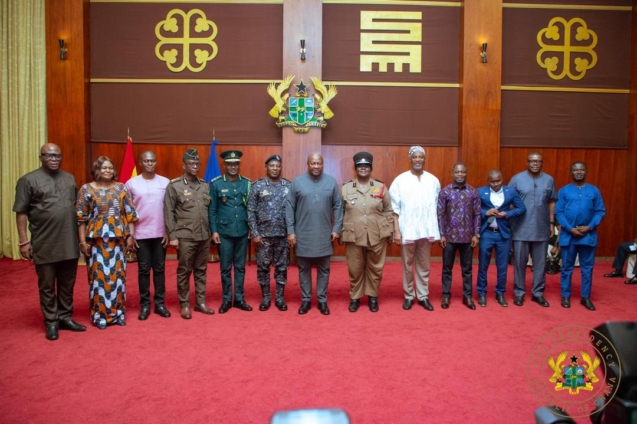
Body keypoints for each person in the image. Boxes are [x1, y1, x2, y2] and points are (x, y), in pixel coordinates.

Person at [13, 143, 86, 341]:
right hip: (45, 241)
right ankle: (51, 322)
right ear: (41, 157)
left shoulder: (69, 178)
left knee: (67, 283)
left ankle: (65, 317)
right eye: (49, 156)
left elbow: (75, 207)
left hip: (69, 241)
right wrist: (23, 241)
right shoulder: (28, 180)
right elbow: (21, 212)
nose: (54, 159)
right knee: (46, 285)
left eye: (57, 156)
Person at [77, 156, 139, 329]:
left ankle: (118, 314)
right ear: (97, 170)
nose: (107, 170)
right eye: (104, 167)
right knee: (98, 280)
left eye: (110, 168)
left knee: (117, 278)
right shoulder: (86, 189)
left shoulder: (121, 188)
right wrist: (82, 242)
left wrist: (130, 236)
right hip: (96, 243)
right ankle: (100, 316)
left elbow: (130, 214)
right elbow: (80, 218)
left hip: (118, 241)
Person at [286, 152, 343, 315]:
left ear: (322, 164)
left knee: (324, 269)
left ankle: (322, 301)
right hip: (302, 233)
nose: (316, 166)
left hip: (324, 234)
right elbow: (289, 207)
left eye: (319, 163)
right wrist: (290, 231)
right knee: (303, 269)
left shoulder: (331, 182)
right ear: (308, 164)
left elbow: (338, 205)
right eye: (313, 163)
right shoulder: (297, 182)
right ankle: (305, 300)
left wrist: (336, 228)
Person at [164, 148, 214, 320]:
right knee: (184, 271)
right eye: (191, 163)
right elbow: (169, 212)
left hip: (204, 235)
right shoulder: (174, 186)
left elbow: (208, 210)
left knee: (201, 270)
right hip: (185, 236)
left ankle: (200, 302)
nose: (195, 166)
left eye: (197, 164)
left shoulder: (204, 185)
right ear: (183, 165)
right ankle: (184, 304)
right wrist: (172, 236)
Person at [340, 152, 393, 313]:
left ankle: (373, 297)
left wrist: (390, 230)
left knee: (375, 268)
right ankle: (355, 298)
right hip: (353, 234)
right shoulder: (346, 188)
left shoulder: (380, 187)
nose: (363, 168)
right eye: (360, 166)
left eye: (366, 166)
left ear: (371, 168)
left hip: (377, 234)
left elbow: (388, 210)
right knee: (355, 268)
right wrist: (340, 232)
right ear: (355, 168)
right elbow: (340, 211)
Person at [389, 146, 440, 312]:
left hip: (426, 229)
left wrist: (436, 231)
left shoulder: (433, 180)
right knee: (407, 264)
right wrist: (396, 231)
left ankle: (423, 296)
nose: (418, 159)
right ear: (410, 158)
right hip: (407, 229)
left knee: (424, 265)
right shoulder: (400, 180)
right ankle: (409, 296)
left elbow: (437, 207)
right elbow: (394, 208)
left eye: (421, 157)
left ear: (424, 159)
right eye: (415, 157)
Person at [125, 150, 171, 320]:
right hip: (141, 234)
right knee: (143, 270)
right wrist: (131, 235)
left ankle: (160, 304)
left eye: (152, 160)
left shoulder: (165, 182)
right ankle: (145, 305)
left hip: (160, 233)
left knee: (159, 269)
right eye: (146, 161)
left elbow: (170, 209)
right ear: (140, 163)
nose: (150, 163)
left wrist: (168, 231)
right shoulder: (131, 183)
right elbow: (128, 211)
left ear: (156, 162)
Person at [555, 162, 606, 311]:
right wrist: (570, 229)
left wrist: (589, 227)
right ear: (570, 172)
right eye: (575, 170)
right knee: (566, 268)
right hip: (569, 236)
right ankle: (565, 296)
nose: (579, 172)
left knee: (587, 269)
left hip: (587, 236)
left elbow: (600, 211)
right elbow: (558, 212)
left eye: (582, 169)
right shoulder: (564, 191)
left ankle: (585, 297)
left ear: (586, 171)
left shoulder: (594, 190)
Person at [509, 152, 557, 307]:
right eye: (532, 161)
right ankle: (519, 293)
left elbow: (551, 202)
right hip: (520, 228)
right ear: (527, 163)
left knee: (540, 264)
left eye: (538, 161)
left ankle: (538, 293)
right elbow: (508, 201)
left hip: (541, 227)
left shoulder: (549, 180)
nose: (535, 164)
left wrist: (551, 223)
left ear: (542, 163)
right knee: (519, 263)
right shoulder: (516, 179)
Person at [209, 150, 253, 314]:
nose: (233, 167)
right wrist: (214, 231)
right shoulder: (216, 184)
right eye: (229, 164)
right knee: (225, 268)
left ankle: (239, 299)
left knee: (240, 268)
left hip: (242, 231)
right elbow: (212, 210)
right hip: (224, 232)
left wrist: (251, 228)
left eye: (235, 164)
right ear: (224, 165)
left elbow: (250, 208)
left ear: (239, 165)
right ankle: (227, 299)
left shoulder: (246, 183)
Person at [476, 170, 526, 307]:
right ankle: (481, 293)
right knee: (483, 265)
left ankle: (500, 293)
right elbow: (473, 209)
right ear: (488, 181)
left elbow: (522, 208)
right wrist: (485, 212)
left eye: (498, 181)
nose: (495, 184)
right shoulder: (480, 192)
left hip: (503, 234)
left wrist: (507, 214)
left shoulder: (510, 192)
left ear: (502, 179)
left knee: (502, 266)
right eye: (492, 181)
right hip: (487, 233)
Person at [247, 154, 291, 311]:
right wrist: (255, 233)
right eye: (272, 166)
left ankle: (279, 298)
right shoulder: (257, 186)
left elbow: (294, 211)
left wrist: (291, 232)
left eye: (277, 166)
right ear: (266, 167)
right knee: (263, 268)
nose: (275, 168)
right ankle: (266, 297)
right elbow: (250, 210)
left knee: (282, 268)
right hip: (263, 236)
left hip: (283, 235)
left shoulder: (288, 186)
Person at [436, 163, 481, 310]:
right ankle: (445, 296)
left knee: (467, 269)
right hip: (449, 237)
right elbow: (440, 214)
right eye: (457, 172)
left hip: (468, 237)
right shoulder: (445, 192)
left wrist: (476, 234)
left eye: (462, 172)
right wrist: (442, 234)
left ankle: (467, 297)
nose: (460, 174)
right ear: (452, 173)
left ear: (466, 173)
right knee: (447, 268)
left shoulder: (473, 192)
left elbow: (477, 214)